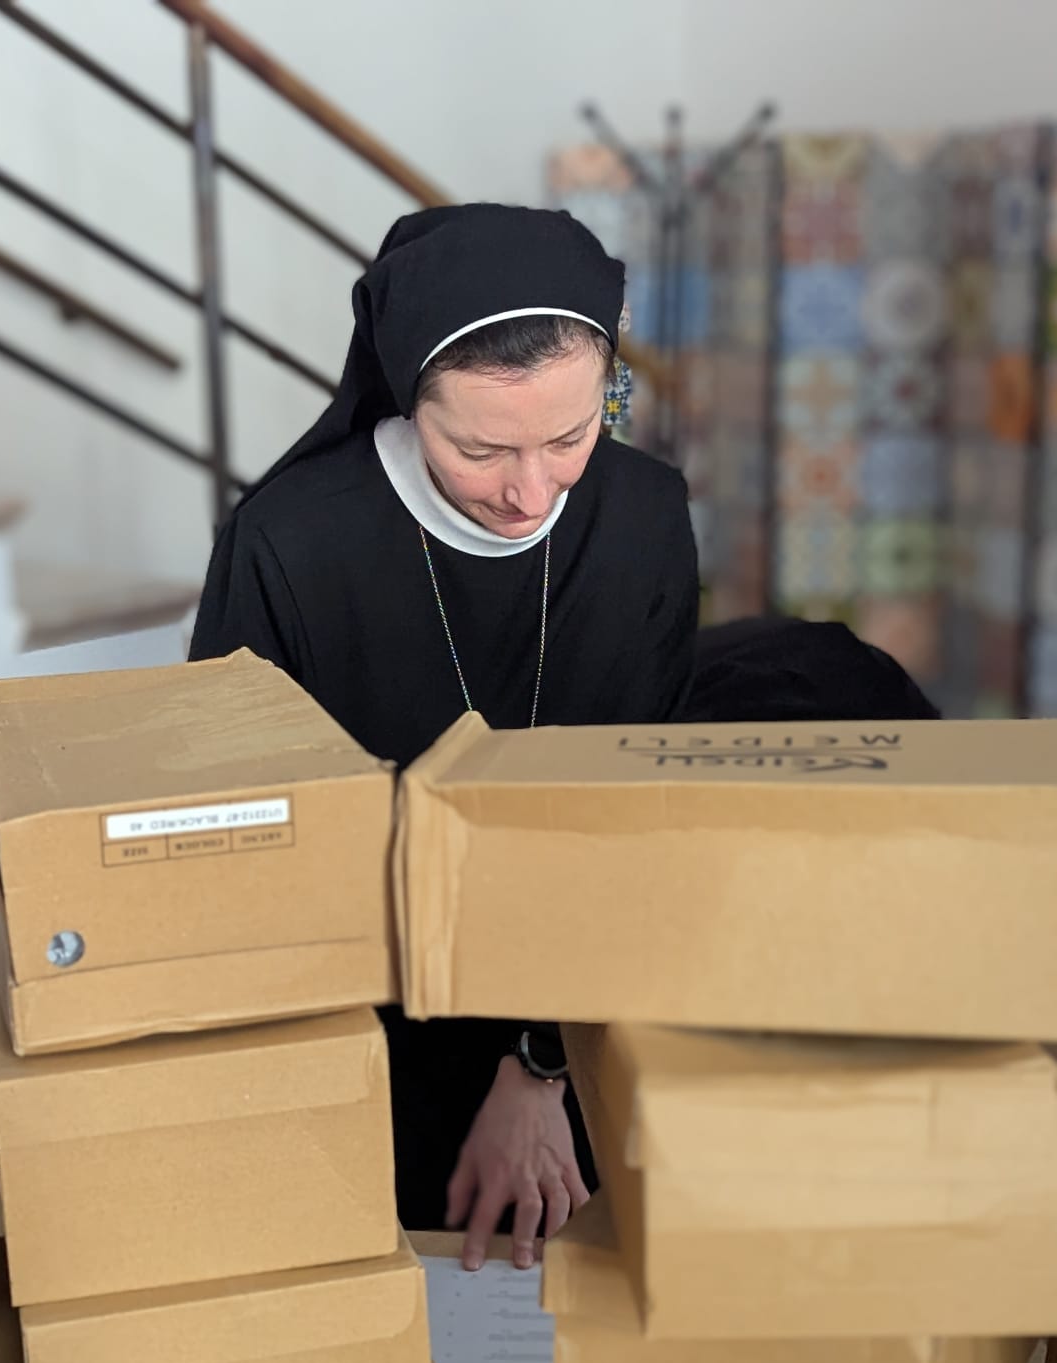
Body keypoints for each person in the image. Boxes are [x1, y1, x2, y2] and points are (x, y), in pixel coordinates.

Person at [190, 204, 698, 1271]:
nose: (530, 490)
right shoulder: (288, 543)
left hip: (588, 1012)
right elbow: (243, 855)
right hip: (363, 1035)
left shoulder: (646, 517)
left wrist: (541, 1064)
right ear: (408, 398)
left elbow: (644, 818)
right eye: (479, 449)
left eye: (570, 436)